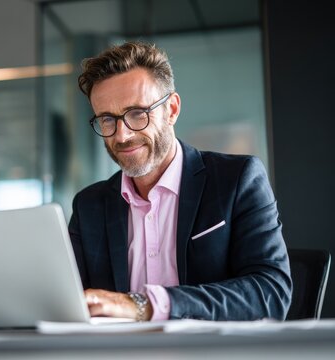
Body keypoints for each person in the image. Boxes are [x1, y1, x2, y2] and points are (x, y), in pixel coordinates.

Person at [69, 41, 292, 321]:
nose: (121, 135)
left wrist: (145, 305)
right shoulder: (89, 206)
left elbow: (270, 293)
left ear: (172, 109)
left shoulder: (237, 180)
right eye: (107, 119)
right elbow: (67, 299)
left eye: (137, 113)